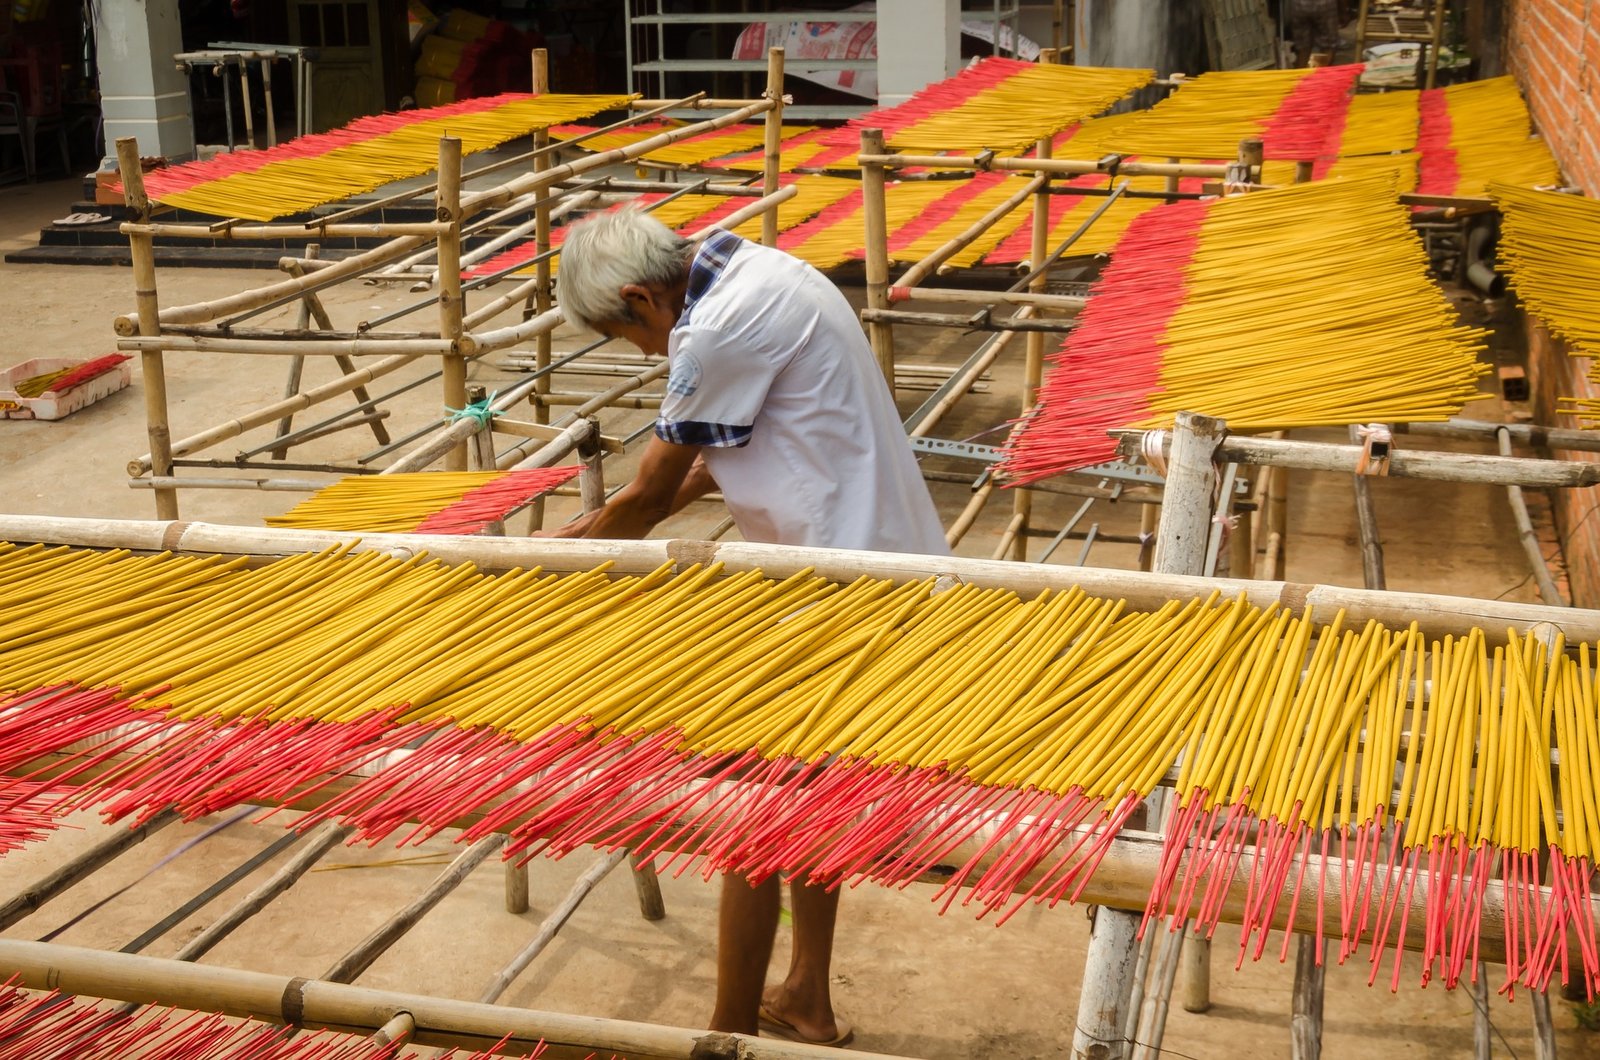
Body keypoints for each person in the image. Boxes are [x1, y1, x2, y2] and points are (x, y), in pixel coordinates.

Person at [546, 208, 949, 1045]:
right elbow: (707, 450)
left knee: (756, 801)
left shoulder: (715, 332)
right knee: (809, 793)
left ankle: (726, 1032)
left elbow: (652, 493)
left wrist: (561, 570)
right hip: (869, 562)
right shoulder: (764, 272)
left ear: (641, 298)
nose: (647, 357)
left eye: (632, 339)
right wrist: (604, 527)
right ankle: (804, 994)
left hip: (840, 584)